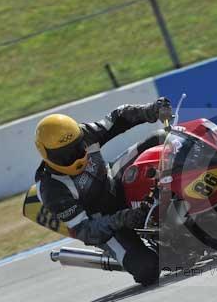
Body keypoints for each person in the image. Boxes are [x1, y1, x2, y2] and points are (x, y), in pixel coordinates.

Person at [33, 98, 172, 285]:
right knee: (147, 270)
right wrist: (121, 218)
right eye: (64, 154)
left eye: (77, 147)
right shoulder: (52, 188)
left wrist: (151, 110)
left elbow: (118, 118)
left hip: (112, 179)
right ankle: (127, 254)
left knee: (162, 138)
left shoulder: (85, 133)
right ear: (46, 154)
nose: (74, 156)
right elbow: (85, 231)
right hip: (102, 222)